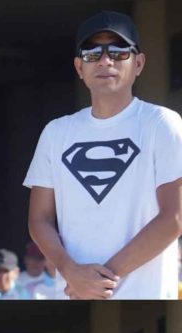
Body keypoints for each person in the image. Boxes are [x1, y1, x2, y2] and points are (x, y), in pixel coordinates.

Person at [25, 11, 182, 300]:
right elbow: (39, 219)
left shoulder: (162, 124)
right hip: (72, 293)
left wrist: (98, 280)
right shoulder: (56, 132)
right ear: (79, 67)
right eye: (92, 53)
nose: (105, 61)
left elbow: (174, 217)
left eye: (119, 51)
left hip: (144, 294)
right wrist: (71, 272)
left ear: (138, 63)